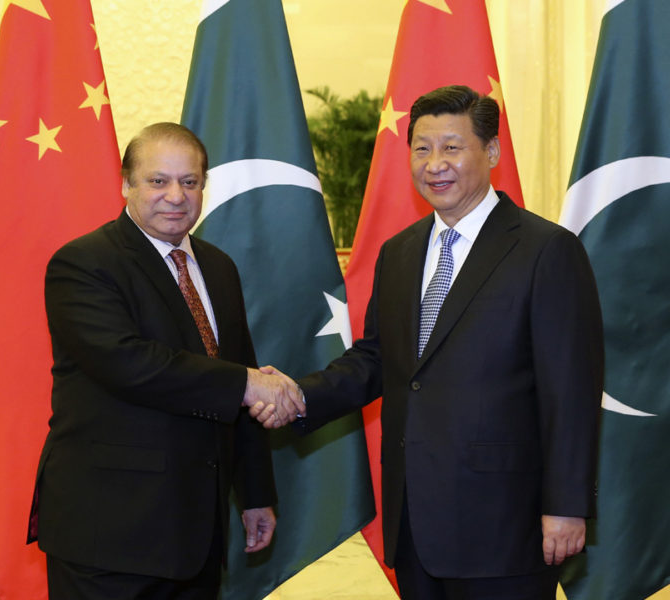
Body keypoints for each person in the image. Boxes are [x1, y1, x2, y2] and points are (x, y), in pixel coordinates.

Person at [256, 86, 604, 599]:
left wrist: (567, 505)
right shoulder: (399, 253)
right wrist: (301, 397)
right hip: (416, 523)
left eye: (452, 147)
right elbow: (376, 360)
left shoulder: (546, 250)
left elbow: (570, 390)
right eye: (421, 148)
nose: (434, 163)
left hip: (507, 526)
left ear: (491, 152)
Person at [27, 122, 300, 599]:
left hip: (197, 534)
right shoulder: (84, 263)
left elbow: (240, 371)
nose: (176, 195)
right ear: (126, 184)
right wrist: (250, 385)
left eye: (189, 182)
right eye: (158, 181)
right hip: (109, 535)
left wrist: (255, 493)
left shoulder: (217, 266)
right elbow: (129, 364)